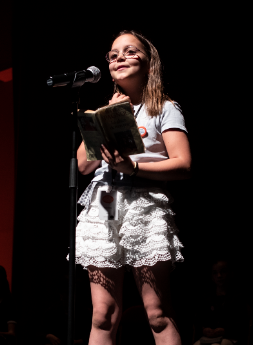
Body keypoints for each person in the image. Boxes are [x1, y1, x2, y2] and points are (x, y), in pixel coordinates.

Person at [73, 29, 191, 345]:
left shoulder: (164, 107)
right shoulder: (107, 109)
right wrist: (107, 118)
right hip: (105, 200)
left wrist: (134, 166)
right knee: (102, 315)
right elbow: (84, 165)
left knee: (157, 314)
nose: (119, 58)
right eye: (113, 54)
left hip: (144, 200)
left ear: (149, 62)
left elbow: (183, 163)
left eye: (129, 51)